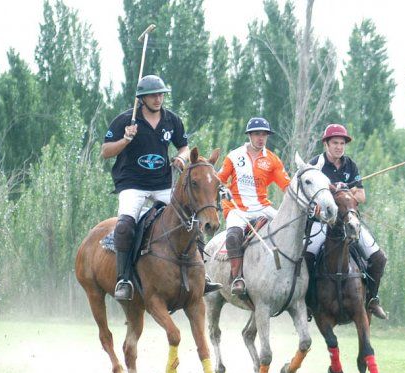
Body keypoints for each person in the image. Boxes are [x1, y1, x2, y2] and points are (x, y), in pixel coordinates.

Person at [102, 74, 198, 301]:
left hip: (162, 183)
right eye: (153, 95)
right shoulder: (126, 120)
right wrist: (125, 140)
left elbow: (184, 147)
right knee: (125, 226)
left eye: (161, 94)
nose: (158, 99)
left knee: (190, 220)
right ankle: (124, 279)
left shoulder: (172, 120)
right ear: (141, 99)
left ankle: (200, 274)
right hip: (132, 184)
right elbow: (105, 152)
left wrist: (182, 158)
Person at [305, 124, 388, 320]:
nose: (339, 147)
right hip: (322, 223)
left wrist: (345, 191)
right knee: (306, 257)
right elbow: (307, 194)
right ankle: (308, 302)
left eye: (342, 143)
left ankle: (372, 300)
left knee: (378, 258)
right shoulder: (315, 164)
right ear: (326, 143)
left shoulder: (350, 165)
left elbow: (362, 195)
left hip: (348, 221)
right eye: (335, 143)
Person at [216, 117, 290, 297]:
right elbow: (219, 180)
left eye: (264, 134)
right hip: (237, 208)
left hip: (262, 206)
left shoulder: (272, 160)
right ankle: (237, 278)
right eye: (257, 134)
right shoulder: (234, 156)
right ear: (249, 135)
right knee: (233, 236)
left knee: (288, 228)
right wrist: (222, 190)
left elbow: (286, 186)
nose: (261, 138)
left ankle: (289, 277)